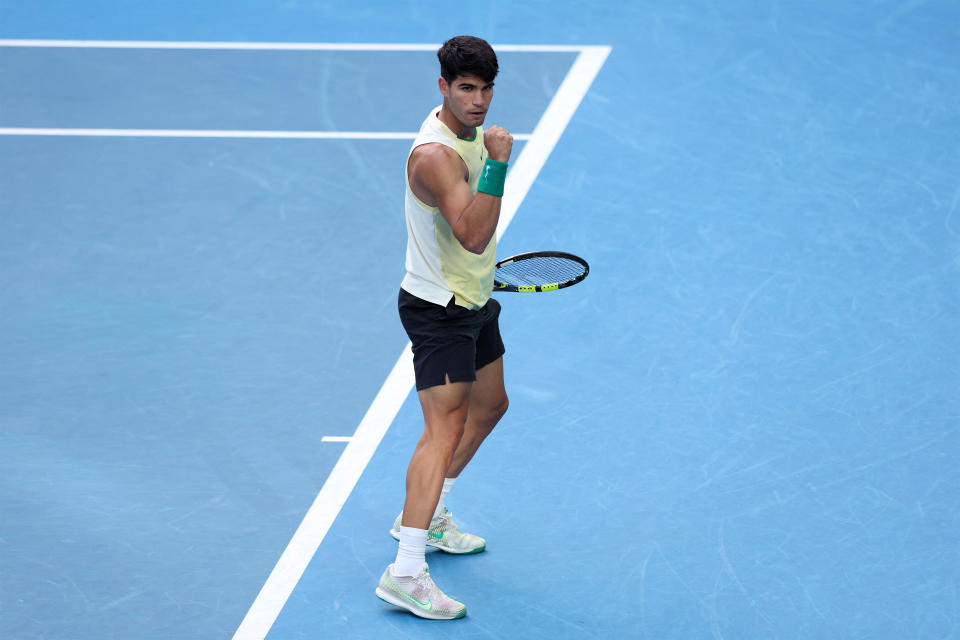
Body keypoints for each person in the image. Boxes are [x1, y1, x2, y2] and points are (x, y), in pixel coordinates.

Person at [374, 35, 513, 620]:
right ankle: (405, 570)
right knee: (443, 428)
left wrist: (480, 279)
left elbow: (472, 243)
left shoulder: (470, 130)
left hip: (472, 298)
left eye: (485, 89)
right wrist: (501, 163)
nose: (478, 102)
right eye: (466, 89)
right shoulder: (434, 157)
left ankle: (429, 520)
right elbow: (473, 234)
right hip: (439, 311)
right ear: (443, 88)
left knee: (490, 406)